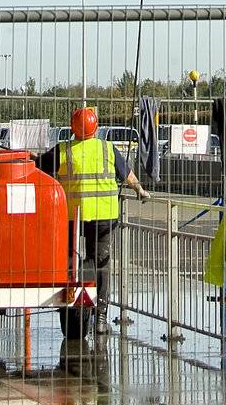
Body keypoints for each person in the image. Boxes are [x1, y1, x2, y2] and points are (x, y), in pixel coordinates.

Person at [39, 108, 149, 333]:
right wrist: (139, 189)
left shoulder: (64, 150)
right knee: (101, 264)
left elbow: (40, 169)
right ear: (96, 127)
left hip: (71, 216)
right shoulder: (107, 148)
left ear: (72, 128)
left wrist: (34, 159)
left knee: (68, 261)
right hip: (104, 217)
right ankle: (100, 317)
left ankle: (70, 305)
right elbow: (126, 173)